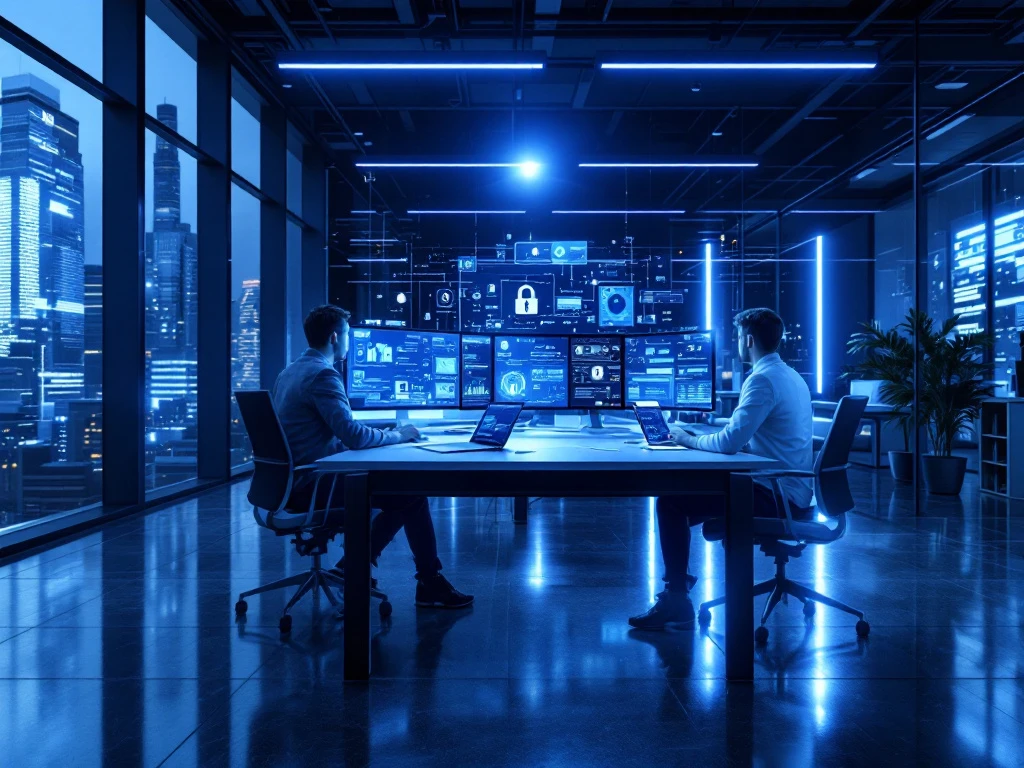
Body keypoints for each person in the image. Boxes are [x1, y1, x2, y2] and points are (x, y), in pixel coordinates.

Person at [273, 304, 473, 609]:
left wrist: (384, 432)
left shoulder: (291, 371)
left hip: (290, 482)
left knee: (401, 494)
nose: (350, 342)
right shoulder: (322, 375)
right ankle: (426, 581)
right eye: (348, 335)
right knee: (410, 493)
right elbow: (352, 436)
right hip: (313, 486)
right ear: (334, 337)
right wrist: (399, 435)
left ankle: (356, 565)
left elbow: (334, 429)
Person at [628, 308, 813, 630]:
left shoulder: (763, 380)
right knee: (680, 499)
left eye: (739, 338)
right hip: (790, 489)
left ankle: (676, 599)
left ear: (748, 340)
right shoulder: (790, 375)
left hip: (774, 494)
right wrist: (710, 432)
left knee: (671, 502)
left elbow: (728, 443)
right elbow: (753, 431)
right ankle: (677, 593)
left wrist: (686, 439)